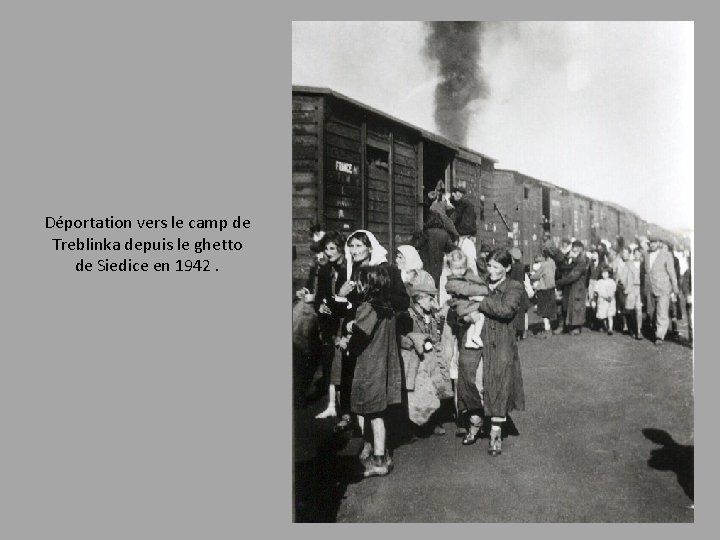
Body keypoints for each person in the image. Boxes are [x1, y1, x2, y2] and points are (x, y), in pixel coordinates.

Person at [331, 230, 410, 434]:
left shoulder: (387, 270)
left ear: (370, 247)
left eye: (358, 245)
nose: (354, 250)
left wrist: (378, 299)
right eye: (351, 246)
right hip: (354, 332)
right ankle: (361, 431)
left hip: (375, 333)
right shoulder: (348, 271)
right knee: (353, 381)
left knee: (376, 387)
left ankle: (379, 439)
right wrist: (340, 296)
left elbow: (403, 301)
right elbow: (338, 310)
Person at [463, 248, 526, 456]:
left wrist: (480, 303)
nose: (491, 271)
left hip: (500, 342)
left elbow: (506, 310)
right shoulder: (480, 283)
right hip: (476, 339)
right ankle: (476, 420)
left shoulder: (515, 286)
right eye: (489, 266)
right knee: (472, 379)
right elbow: (462, 303)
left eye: (497, 267)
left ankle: (495, 433)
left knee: (498, 383)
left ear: (507, 268)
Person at [342, 266, 403, 478]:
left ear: (368, 285)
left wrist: (347, 342)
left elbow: (361, 335)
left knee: (373, 413)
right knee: (377, 412)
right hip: (383, 365)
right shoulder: (388, 308)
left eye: (360, 282)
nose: (357, 286)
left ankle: (378, 459)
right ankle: (381, 455)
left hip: (370, 366)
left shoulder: (367, 307)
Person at [311, 231, 347, 418]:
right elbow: (319, 298)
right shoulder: (326, 270)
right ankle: (333, 406)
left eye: (332, 248)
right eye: (326, 248)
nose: (328, 252)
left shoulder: (347, 270)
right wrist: (320, 307)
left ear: (341, 249)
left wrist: (331, 303)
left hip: (343, 320)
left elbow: (345, 300)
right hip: (329, 323)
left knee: (343, 364)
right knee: (330, 362)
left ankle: (344, 408)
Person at [444, 250, 490, 350]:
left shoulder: (465, 276)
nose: (460, 271)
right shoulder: (453, 282)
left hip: (467, 305)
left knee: (475, 321)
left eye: (462, 268)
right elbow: (469, 289)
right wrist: (486, 290)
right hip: (465, 306)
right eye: (456, 268)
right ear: (449, 268)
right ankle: (475, 336)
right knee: (480, 316)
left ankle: (470, 339)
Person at [644, 237, 679, 346]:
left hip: (664, 287)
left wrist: (675, 287)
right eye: (650, 243)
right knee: (652, 311)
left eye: (654, 242)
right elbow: (645, 272)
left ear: (660, 243)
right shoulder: (646, 255)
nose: (652, 244)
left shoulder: (666, 255)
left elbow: (672, 273)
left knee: (662, 312)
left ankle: (660, 336)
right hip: (650, 288)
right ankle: (655, 329)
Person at [555, 241, 590, 335]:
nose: (572, 251)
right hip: (567, 287)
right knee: (564, 306)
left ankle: (576, 328)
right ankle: (564, 326)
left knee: (576, 307)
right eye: (573, 249)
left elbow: (573, 276)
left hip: (576, 287)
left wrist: (558, 282)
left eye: (575, 250)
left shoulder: (581, 261)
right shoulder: (570, 258)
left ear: (580, 250)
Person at [420, 211, 457, 286]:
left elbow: (418, 244)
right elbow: (450, 248)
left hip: (426, 261)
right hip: (438, 262)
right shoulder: (444, 234)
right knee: (436, 281)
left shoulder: (426, 232)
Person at [448, 186, 478, 275]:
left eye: (456, 193)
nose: (454, 195)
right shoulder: (468, 204)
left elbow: (455, 216)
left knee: (463, 258)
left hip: (463, 234)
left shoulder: (462, 203)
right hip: (468, 234)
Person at [530, 248, 557, 338]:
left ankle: (547, 330)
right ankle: (549, 329)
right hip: (551, 288)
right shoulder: (552, 262)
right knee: (549, 311)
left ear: (544, 256)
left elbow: (536, 276)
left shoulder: (544, 265)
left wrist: (531, 276)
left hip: (543, 289)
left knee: (544, 312)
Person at [509, 247, 530, 340]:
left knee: (515, 312)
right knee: (523, 312)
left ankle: (516, 333)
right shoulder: (522, 266)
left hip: (514, 290)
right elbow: (524, 279)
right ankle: (523, 332)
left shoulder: (511, 267)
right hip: (522, 290)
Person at [624, 247, 644, 340]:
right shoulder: (628, 264)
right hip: (631, 288)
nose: (637, 255)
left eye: (638, 254)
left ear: (641, 255)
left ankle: (638, 331)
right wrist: (626, 287)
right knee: (630, 310)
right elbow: (624, 276)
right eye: (635, 253)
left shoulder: (643, 265)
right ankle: (631, 328)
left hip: (640, 288)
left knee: (639, 310)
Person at [595, 265, 617, 335]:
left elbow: (614, 290)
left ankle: (610, 328)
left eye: (606, 273)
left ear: (609, 274)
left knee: (610, 315)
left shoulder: (612, 281)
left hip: (610, 300)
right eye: (603, 273)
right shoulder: (599, 282)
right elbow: (597, 292)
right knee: (603, 315)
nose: (604, 275)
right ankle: (605, 326)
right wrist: (603, 297)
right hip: (602, 300)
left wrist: (610, 297)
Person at [681, 255, 692, 343]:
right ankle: (692, 338)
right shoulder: (688, 272)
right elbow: (685, 285)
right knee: (692, 319)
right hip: (692, 298)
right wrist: (688, 294)